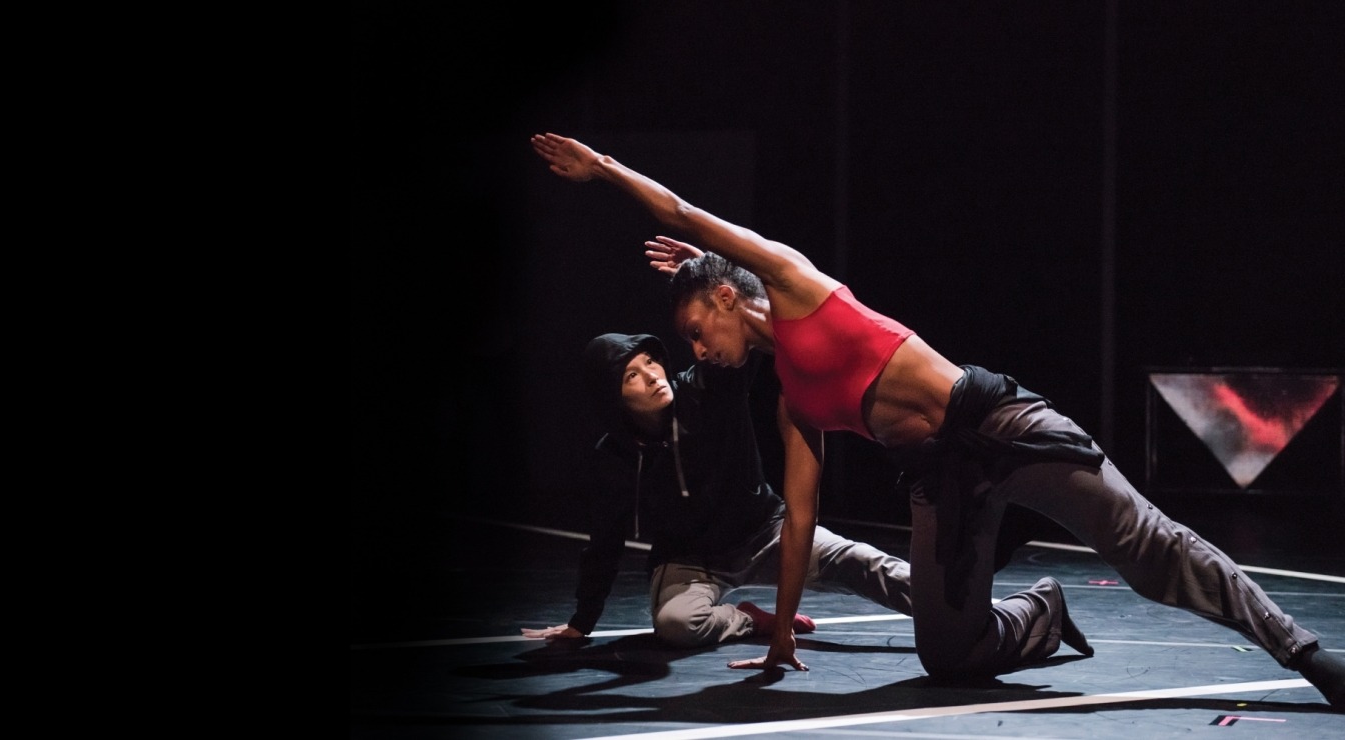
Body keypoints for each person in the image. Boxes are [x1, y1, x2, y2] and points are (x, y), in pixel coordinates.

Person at [530, 131, 1344, 709]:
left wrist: (601, 169)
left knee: (1144, 545)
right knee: (947, 653)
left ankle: (1303, 654)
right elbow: (803, 515)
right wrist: (779, 639)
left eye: (695, 331)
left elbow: (678, 208)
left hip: (995, 425)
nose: (696, 351)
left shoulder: (794, 282)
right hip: (938, 480)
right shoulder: (792, 399)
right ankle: (1040, 613)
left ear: (720, 297)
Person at [522, 331, 914, 648]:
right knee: (676, 624)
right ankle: (749, 619)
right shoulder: (613, 458)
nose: (653, 375)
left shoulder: (704, 390)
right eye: (632, 376)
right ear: (615, 399)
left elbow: (742, 342)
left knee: (863, 561)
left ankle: (962, 614)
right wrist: (581, 621)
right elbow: (605, 540)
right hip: (689, 560)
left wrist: (710, 276)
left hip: (764, 533)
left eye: (650, 361)